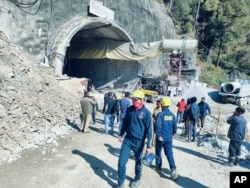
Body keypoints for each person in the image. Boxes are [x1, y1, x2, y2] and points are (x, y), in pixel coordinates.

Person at [117, 90, 152, 188]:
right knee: (121, 162)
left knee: (138, 163)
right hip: (127, 140)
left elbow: (150, 131)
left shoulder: (146, 113)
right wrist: (121, 133)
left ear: (142, 100)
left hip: (139, 142)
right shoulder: (130, 110)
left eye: (136, 99)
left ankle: (137, 179)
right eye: (133, 99)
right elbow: (125, 123)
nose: (134, 101)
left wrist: (149, 145)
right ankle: (120, 183)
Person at [155, 97, 178, 180]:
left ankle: (158, 167)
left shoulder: (160, 115)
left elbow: (157, 126)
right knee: (169, 154)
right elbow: (175, 127)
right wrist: (172, 134)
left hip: (161, 138)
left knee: (158, 152)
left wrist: (158, 135)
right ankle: (173, 169)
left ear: (162, 105)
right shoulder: (172, 115)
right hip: (169, 138)